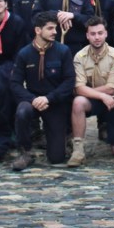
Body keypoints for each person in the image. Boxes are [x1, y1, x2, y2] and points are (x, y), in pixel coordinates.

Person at [11, 11, 76, 169]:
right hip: (32, 100)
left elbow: (69, 81)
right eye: (50, 28)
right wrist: (32, 99)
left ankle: (62, 139)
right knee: (22, 111)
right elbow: (15, 83)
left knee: (56, 158)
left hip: (54, 102)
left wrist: (49, 98)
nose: (55, 32)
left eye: (55, 28)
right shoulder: (24, 53)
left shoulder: (63, 51)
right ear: (38, 30)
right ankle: (25, 151)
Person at [69, 17, 114, 166]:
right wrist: (101, 95)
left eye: (100, 33)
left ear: (106, 34)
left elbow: (112, 88)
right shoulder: (80, 56)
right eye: (93, 33)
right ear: (87, 35)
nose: (97, 37)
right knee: (78, 102)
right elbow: (78, 88)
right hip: (95, 100)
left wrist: (90, 91)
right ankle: (78, 149)